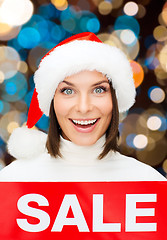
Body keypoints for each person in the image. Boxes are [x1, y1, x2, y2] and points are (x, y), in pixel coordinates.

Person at [0, 32, 165, 181]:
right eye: (68, 91)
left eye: (99, 90)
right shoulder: (14, 181)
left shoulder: (147, 183)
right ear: (52, 101)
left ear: (114, 99)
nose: (84, 107)